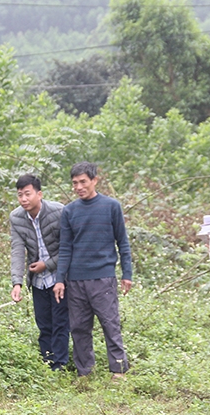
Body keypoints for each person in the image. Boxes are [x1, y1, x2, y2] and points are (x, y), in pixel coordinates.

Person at [53, 162, 132, 379]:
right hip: (75, 280)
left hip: (103, 277)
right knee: (79, 328)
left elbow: (122, 242)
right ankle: (84, 373)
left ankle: (118, 370)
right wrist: (60, 280)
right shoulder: (69, 211)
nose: (79, 186)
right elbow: (65, 247)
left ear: (94, 180)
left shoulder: (111, 206)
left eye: (83, 182)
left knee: (110, 324)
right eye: (75, 183)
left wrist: (127, 274)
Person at [10, 174, 69, 371]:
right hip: (38, 281)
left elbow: (69, 248)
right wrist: (17, 283)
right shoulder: (16, 217)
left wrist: (48, 264)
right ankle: (48, 363)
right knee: (44, 323)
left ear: (39, 194)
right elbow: (17, 251)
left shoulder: (59, 211)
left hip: (59, 278)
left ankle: (60, 364)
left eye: (27, 194)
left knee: (60, 322)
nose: (24, 199)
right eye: (20, 195)